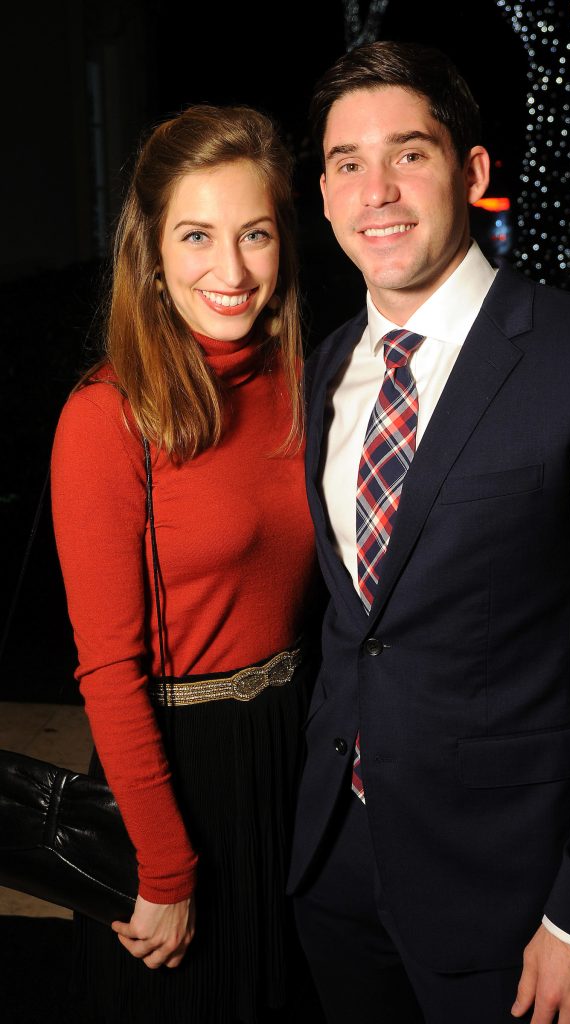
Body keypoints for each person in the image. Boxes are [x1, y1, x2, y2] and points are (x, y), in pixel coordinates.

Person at [288, 40, 570, 1024]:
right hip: (334, 868)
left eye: (409, 153)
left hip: (514, 893)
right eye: (347, 164)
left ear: (474, 170)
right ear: (321, 195)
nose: (379, 191)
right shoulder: (323, 371)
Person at [51, 103, 320, 1024]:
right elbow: (106, 669)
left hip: (292, 744)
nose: (231, 269)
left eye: (255, 233)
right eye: (197, 235)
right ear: (152, 252)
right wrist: (162, 864)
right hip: (173, 766)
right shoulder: (107, 415)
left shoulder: (306, 381)